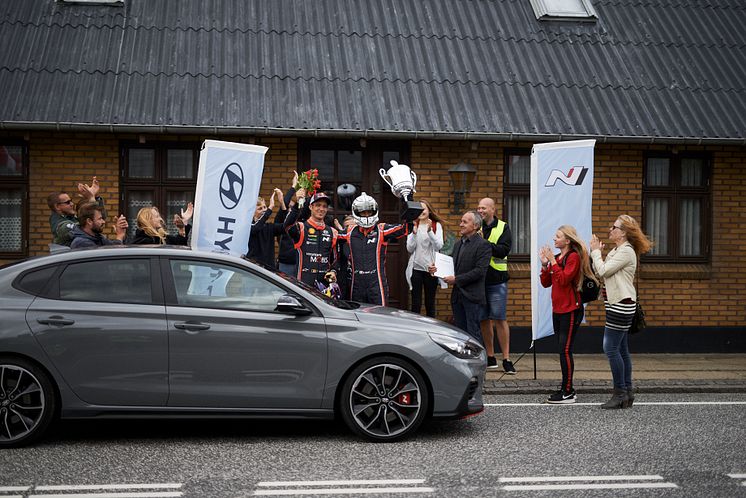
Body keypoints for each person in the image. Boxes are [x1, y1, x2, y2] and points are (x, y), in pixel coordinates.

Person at [589, 215, 652, 409]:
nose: (610, 229)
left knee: (610, 348)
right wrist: (598, 255)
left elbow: (604, 271)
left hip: (621, 305)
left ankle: (620, 393)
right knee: (622, 349)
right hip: (617, 303)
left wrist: (595, 253)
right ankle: (627, 393)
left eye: (614, 227)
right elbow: (601, 271)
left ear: (623, 232)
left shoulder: (626, 251)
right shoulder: (618, 250)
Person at [540, 225, 597, 404]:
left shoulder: (573, 257)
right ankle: (565, 387)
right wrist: (544, 264)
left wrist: (553, 263)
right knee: (561, 349)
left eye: (557, 237)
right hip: (557, 310)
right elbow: (546, 283)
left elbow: (564, 280)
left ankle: (568, 391)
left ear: (567, 240)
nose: (554, 239)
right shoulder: (557, 258)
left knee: (565, 349)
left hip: (571, 310)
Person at [338, 193, 408, 305]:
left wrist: (408, 199)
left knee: (380, 317)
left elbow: (405, 229)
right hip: (356, 284)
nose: (366, 215)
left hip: (377, 283)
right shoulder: (349, 232)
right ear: (356, 213)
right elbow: (329, 238)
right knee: (356, 317)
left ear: (374, 211)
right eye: (363, 212)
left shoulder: (382, 229)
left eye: (369, 212)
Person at [439, 211, 492, 346]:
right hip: (457, 296)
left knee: (473, 334)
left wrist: (456, 279)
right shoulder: (458, 244)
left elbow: (480, 272)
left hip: (472, 297)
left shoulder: (483, 245)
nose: (460, 224)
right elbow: (452, 267)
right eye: (461, 221)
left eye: (464, 222)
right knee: (459, 333)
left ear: (475, 226)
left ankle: (477, 364)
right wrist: (437, 270)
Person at [476, 197, 515, 373]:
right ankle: (490, 357)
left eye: (484, 208)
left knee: (499, 318)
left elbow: (503, 250)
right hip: (479, 281)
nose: (480, 211)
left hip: (497, 281)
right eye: (479, 208)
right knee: (484, 319)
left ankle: (506, 358)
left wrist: (484, 242)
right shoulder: (476, 226)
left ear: (493, 209)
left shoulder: (503, 227)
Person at [283, 190, 339, 287]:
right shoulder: (301, 228)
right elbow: (287, 225)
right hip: (303, 284)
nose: (321, 209)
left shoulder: (333, 232)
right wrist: (297, 204)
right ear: (310, 207)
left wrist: (333, 271)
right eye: (318, 205)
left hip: (324, 285)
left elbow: (335, 259)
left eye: (324, 206)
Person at [405, 199, 445, 317]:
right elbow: (409, 249)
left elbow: (439, 246)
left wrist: (430, 232)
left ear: (429, 211)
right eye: (419, 209)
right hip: (416, 269)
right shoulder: (414, 224)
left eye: (424, 209)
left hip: (430, 270)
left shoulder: (435, 225)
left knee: (430, 303)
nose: (422, 211)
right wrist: (414, 234)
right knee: (415, 304)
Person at [47, 176, 106, 246]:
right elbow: (88, 226)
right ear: (57, 206)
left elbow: (99, 219)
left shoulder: (70, 217)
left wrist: (94, 196)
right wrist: (91, 198)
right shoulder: (59, 223)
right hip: (70, 256)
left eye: (71, 201)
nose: (72, 204)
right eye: (67, 202)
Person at [248, 189, 287, 267]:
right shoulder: (248, 226)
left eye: (265, 207)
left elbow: (285, 225)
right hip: (252, 270)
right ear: (252, 212)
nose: (264, 210)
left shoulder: (269, 227)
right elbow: (255, 229)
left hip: (268, 271)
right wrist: (270, 208)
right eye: (260, 208)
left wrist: (282, 203)